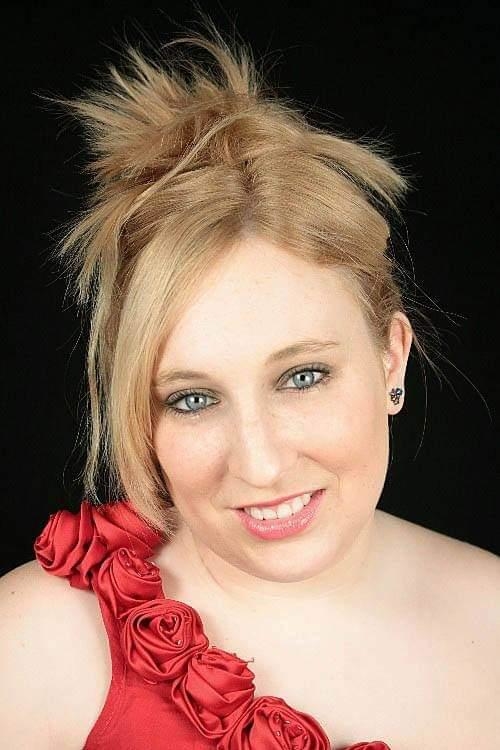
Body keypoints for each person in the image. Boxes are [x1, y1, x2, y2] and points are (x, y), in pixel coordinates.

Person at [1, 17, 499, 750]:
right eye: (193, 399)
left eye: (302, 377)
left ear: (392, 359)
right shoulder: (33, 648)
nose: (260, 466)